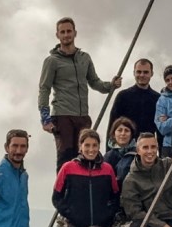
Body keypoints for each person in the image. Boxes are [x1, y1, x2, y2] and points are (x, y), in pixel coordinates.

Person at [38, 17, 122, 170]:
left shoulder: (85, 58)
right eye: (62, 32)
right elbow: (44, 89)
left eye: (69, 31)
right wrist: (45, 117)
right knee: (66, 158)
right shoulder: (52, 61)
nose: (66, 35)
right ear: (57, 35)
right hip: (63, 115)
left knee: (85, 155)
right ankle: (63, 193)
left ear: (75, 33)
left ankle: (81, 191)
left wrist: (111, 85)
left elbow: (95, 82)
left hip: (83, 116)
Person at [51, 129, 120, 227]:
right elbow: (56, 198)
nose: (91, 149)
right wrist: (72, 215)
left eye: (94, 145)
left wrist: (107, 217)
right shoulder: (68, 168)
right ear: (80, 146)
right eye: (87, 145)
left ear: (99, 146)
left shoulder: (107, 169)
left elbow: (115, 196)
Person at [109, 58, 160, 135]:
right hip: (126, 144)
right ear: (134, 73)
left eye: (146, 72)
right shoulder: (123, 96)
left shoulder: (158, 99)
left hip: (148, 145)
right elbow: (112, 125)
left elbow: (160, 128)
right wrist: (109, 146)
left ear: (151, 73)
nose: (142, 75)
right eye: (139, 72)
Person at [104, 116, 138, 184]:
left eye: (126, 130)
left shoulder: (138, 154)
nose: (123, 134)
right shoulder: (108, 156)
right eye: (119, 130)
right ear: (114, 134)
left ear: (131, 134)